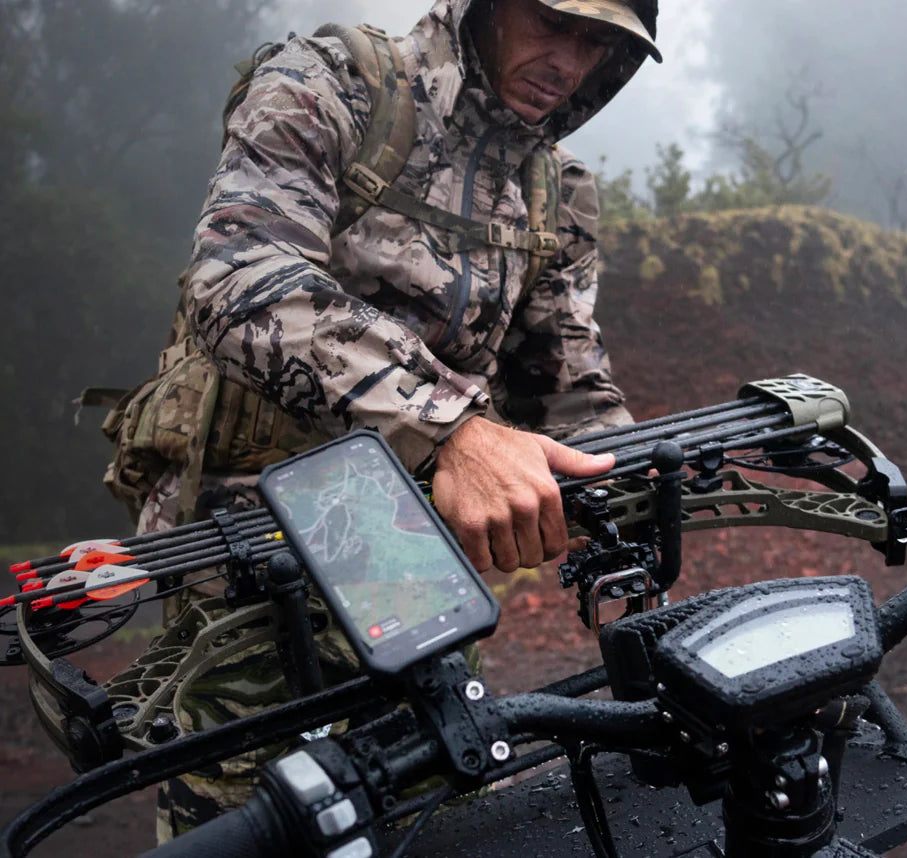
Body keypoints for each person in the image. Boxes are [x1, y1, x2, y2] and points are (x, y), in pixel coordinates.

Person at [138, 0, 661, 840]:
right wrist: (453, 429)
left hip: (417, 567)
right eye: (552, 24)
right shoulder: (334, 81)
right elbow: (238, 282)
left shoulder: (557, 192)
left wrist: (637, 478)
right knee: (264, 822)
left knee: (440, 807)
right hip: (250, 556)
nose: (570, 60)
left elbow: (568, 390)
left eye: (598, 42)